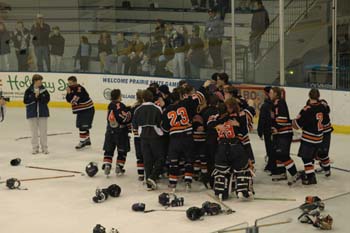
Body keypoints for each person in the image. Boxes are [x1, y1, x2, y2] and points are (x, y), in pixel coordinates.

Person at [161, 86, 205, 192]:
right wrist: (204, 86)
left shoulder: (167, 110)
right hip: (187, 136)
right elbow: (200, 96)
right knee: (189, 160)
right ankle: (188, 183)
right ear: (181, 96)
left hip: (174, 139)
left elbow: (165, 129)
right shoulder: (186, 103)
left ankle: (172, 184)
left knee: (174, 162)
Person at [209, 97, 253, 200]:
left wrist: (218, 125)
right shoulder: (239, 116)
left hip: (222, 148)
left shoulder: (215, 118)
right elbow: (244, 132)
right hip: (235, 146)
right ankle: (242, 191)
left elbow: (210, 125)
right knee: (241, 169)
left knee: (221, 171)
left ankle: (221, 192)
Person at [292, 88, 329, 185]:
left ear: (309, 96)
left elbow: (296, 125)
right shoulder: (323, 107)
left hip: (309, 138)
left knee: (306, 158)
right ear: (318, 96)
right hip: (319, 138)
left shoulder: (307, 109)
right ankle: (311, 174)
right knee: (311, 157)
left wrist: (292, 121)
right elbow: (326, 122)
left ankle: (311, 178)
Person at [132, 90, 165, 190]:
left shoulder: (138, 109)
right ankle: (152, 177)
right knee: (160, 158)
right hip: (155, 136)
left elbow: (134, 124)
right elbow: (161, 123)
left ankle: (149, 183)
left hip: (143, 137)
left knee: (147, 160)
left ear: (143, 98)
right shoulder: (157, 108)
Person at [269, 87, 298, 185]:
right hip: (280, 134)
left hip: (285, 133)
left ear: (276, 94)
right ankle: (282, 173)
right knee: (277, 153)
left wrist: (274, 126)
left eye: (271, 92)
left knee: (283, 154)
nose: (269, 94)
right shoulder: (275, 104)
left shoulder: (280, 103)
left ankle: (295, 174)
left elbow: (283, 119)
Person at [102, 89, 132, 176]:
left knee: (109, 150)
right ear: (119, 96)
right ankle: (119, 166)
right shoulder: (120, 105)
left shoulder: (110, 105)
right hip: (121, 132)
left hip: (110, 131)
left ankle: (107, 164)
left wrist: (128, 108)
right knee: (122, 150)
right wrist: (130, 112)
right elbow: (124, 118)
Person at [65, 76, 95, 150]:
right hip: (82, 110)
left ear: (75, 82)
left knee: (83, 126)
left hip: (87, 109)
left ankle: (82, 142)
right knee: (82, 125)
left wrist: (69, 94)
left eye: (71, 83)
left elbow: (74, 101)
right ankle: (87, 140)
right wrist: (69, 94)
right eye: (68, 83)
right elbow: (68, 100)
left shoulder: (79, 89)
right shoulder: (71, 88)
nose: (69, 84)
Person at [23, 74, 50, 154]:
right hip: (32, 113)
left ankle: (44, 148)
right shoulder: (28, 90)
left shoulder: (44, 90)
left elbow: (47, 99)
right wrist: (34, 96)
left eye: (41, 81)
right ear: (35, 81)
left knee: (43, 132)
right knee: (34, 132)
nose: (41, 83)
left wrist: (40, 96)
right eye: (39, 81)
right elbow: (25, 101)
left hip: (43, 113)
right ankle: (35, 148)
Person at [257, 86, 274, 173]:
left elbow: (262, 120)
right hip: (275, 130)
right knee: (273, 147)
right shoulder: (276, 103)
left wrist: (260, 131)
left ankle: (271, 165)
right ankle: (272, 163)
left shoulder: (265, 106)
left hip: (268, 130)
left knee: (269, 147)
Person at [130, 90, 144, 181]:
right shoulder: (146, 107)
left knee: (139, 155)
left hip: (136, 134)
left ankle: (141, 174)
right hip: (146, 134)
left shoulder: (133, 107)